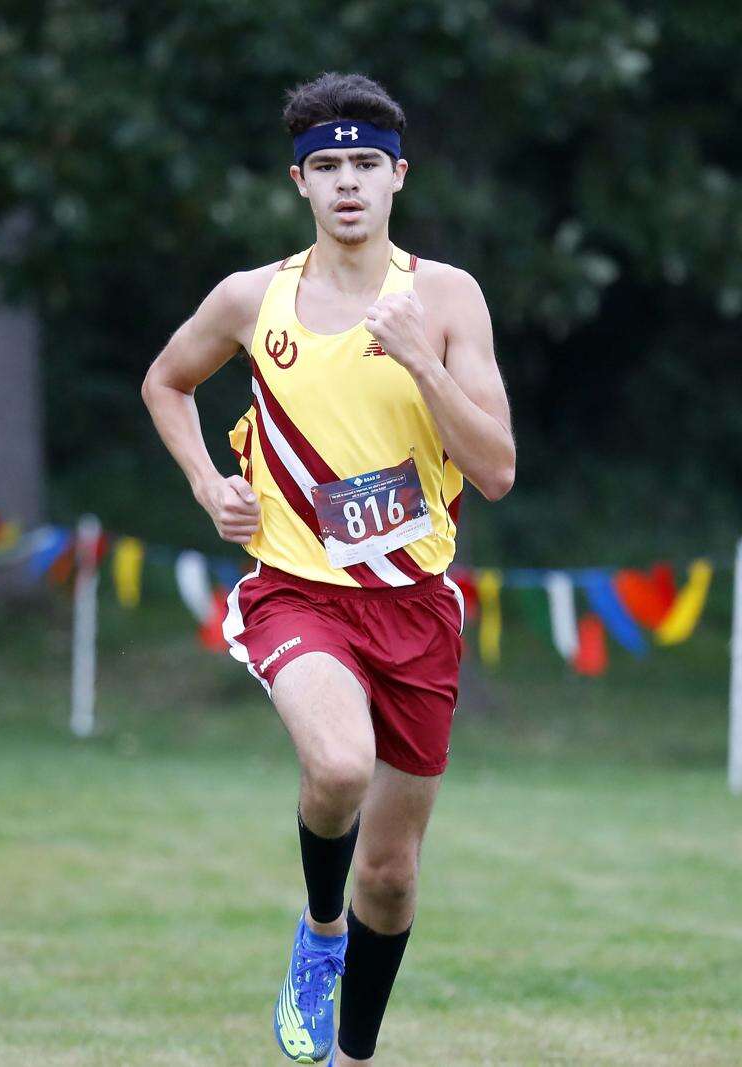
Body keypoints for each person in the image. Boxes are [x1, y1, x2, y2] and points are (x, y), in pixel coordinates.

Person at [142, 71, 514, 1066]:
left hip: (416, 608)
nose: (347, 181)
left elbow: (495, 469)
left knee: (389, 873)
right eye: (327, 165)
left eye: (365, 163)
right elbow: (166, 381)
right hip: (296, 591)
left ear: (398, 176)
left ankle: (354, 1053)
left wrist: (420, 360)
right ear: (299, 182)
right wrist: (207, 483)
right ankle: (318, 931)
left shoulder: (444, 297)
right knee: (339, 765)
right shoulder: (250, 297)